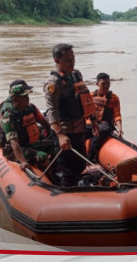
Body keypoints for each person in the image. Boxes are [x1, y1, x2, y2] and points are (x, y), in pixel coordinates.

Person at [44, 43, 99, 187]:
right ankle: (67, 193)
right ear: (57, 60)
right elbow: (51, 110)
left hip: (79, 128)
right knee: (68, 169)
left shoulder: (76, 74)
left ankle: (79, 185)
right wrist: (61, 135)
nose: (72, 62)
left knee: (80, 163)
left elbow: (84, 99)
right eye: (68, 59)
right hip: (64, 131)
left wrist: (92, 119)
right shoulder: (54, 83)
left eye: (73, 58)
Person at [0, 83, 52, 171]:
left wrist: (53, 135)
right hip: (13, 149)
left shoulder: (30, 108)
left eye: (27, 96)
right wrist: (23, 161)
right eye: (24, 97)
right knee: (42, 156)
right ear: (14, 99)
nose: (27, 99)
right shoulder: (9, 116)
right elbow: (14, 143)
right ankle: (50, 177)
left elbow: (44, 122)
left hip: (29, 143)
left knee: (54, 145)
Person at [87, 72, 123, 163]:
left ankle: (90, 157)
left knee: (101, 130)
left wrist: (120, 128)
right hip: (91, 122)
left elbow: (117, 115)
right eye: (103, 83)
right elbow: (86, 112)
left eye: (108, 83)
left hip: (106, 124)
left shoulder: (114, 98)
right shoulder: (90, 96)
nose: (106, 86)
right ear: (97, 84)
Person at [0, 79, 33, 147]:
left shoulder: (25, 106)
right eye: (24, 96)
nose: (27, 99)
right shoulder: (8, 111)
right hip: (9, 141)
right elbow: (13, 142)